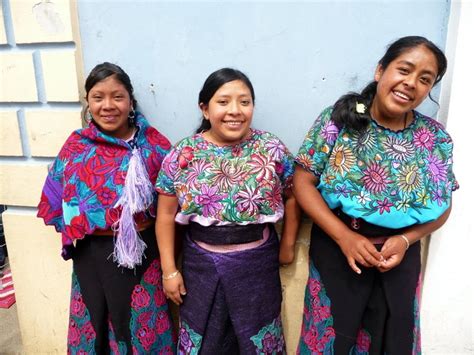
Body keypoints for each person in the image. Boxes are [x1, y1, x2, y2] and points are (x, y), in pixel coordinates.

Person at [294, 36, 458, 354]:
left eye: (425, 79)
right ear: (380, 70)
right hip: (338, 249)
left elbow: (443, 204)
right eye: (404, 70)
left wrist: (407, 239)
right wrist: (344, 237)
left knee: (394, 339)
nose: (411, 83)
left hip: (399, 256)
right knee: (331, 339)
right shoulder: (338, 122)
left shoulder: (434, 138)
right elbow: (302, 182)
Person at [155, 68, 300, 353]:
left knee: (257, 341)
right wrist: (169, 270)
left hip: (257, 265)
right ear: (205, 109)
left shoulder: (270, 149)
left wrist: (288, 244)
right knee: (206, 340)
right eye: (223, 102)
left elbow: (294, 196)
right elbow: (164, 216)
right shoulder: (183, 153)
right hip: (200, 266)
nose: (235, 111)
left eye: (244, 102)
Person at [37, 62, 175, 354]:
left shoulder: (154, 146)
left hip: (141, 254)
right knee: (96, 326)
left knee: (141, 330)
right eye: (98, 97)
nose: (108, 105)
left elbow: (174, 202)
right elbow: (55, 195)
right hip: (92, 255)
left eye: (117, 96)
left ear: (131, 101)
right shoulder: (76, 146)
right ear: (88, 102)